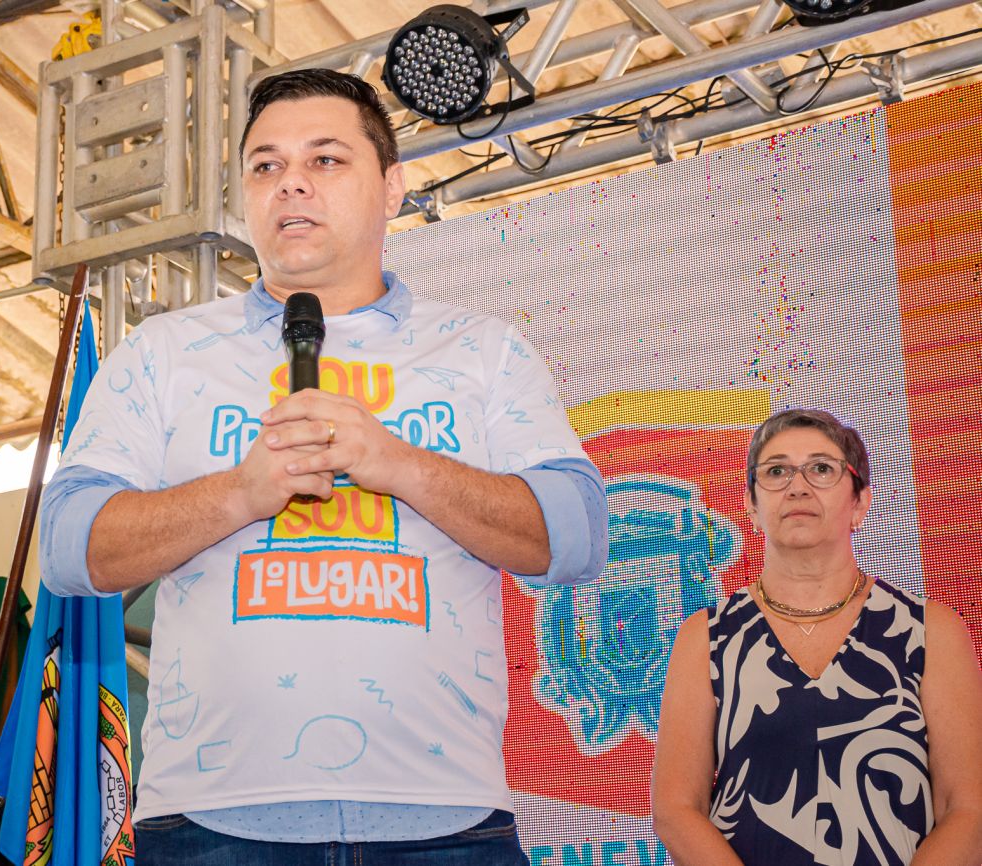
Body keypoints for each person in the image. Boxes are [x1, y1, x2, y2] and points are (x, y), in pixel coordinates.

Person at [37, 69, 607, 864]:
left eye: (326, 159)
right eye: (266, 165)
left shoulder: (481, 350)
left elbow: (577, 538)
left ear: (393, 188)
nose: (292, 182)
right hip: (211, 825)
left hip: (445, 823)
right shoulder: (165, 351)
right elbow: (67, 548)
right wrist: (240, 494)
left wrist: (397, 463)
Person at [651, 408, 982, 865]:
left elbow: (968, 810)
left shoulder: (931, 630)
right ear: (751, 506)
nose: (797, 486)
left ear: (860, 502)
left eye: (822, 469)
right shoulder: (706, 637)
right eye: (777, 471)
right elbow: (675, 809)